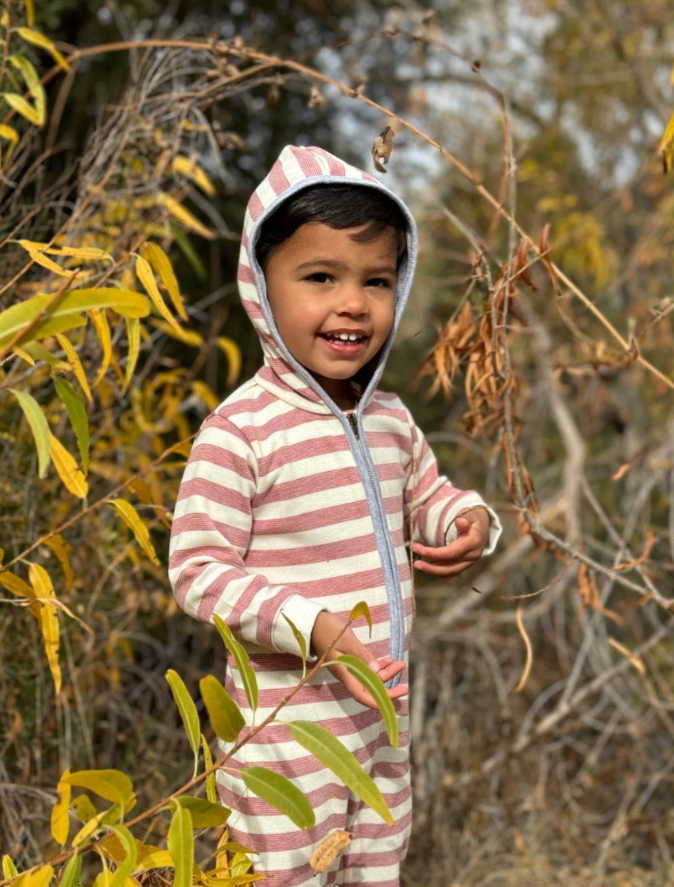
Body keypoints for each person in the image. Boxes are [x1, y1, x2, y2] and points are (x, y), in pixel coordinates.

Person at [168, 144, 502, 887]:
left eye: (376, 280)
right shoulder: (242, 429)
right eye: (321, 277)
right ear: (262, 285)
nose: (353, 302)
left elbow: (431, 495)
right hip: (283, 729)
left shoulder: (388, 418)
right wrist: (313, 625)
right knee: (281, 873)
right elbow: (197, 572)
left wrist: (469, 522)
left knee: (376, 866)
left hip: (381, 717)